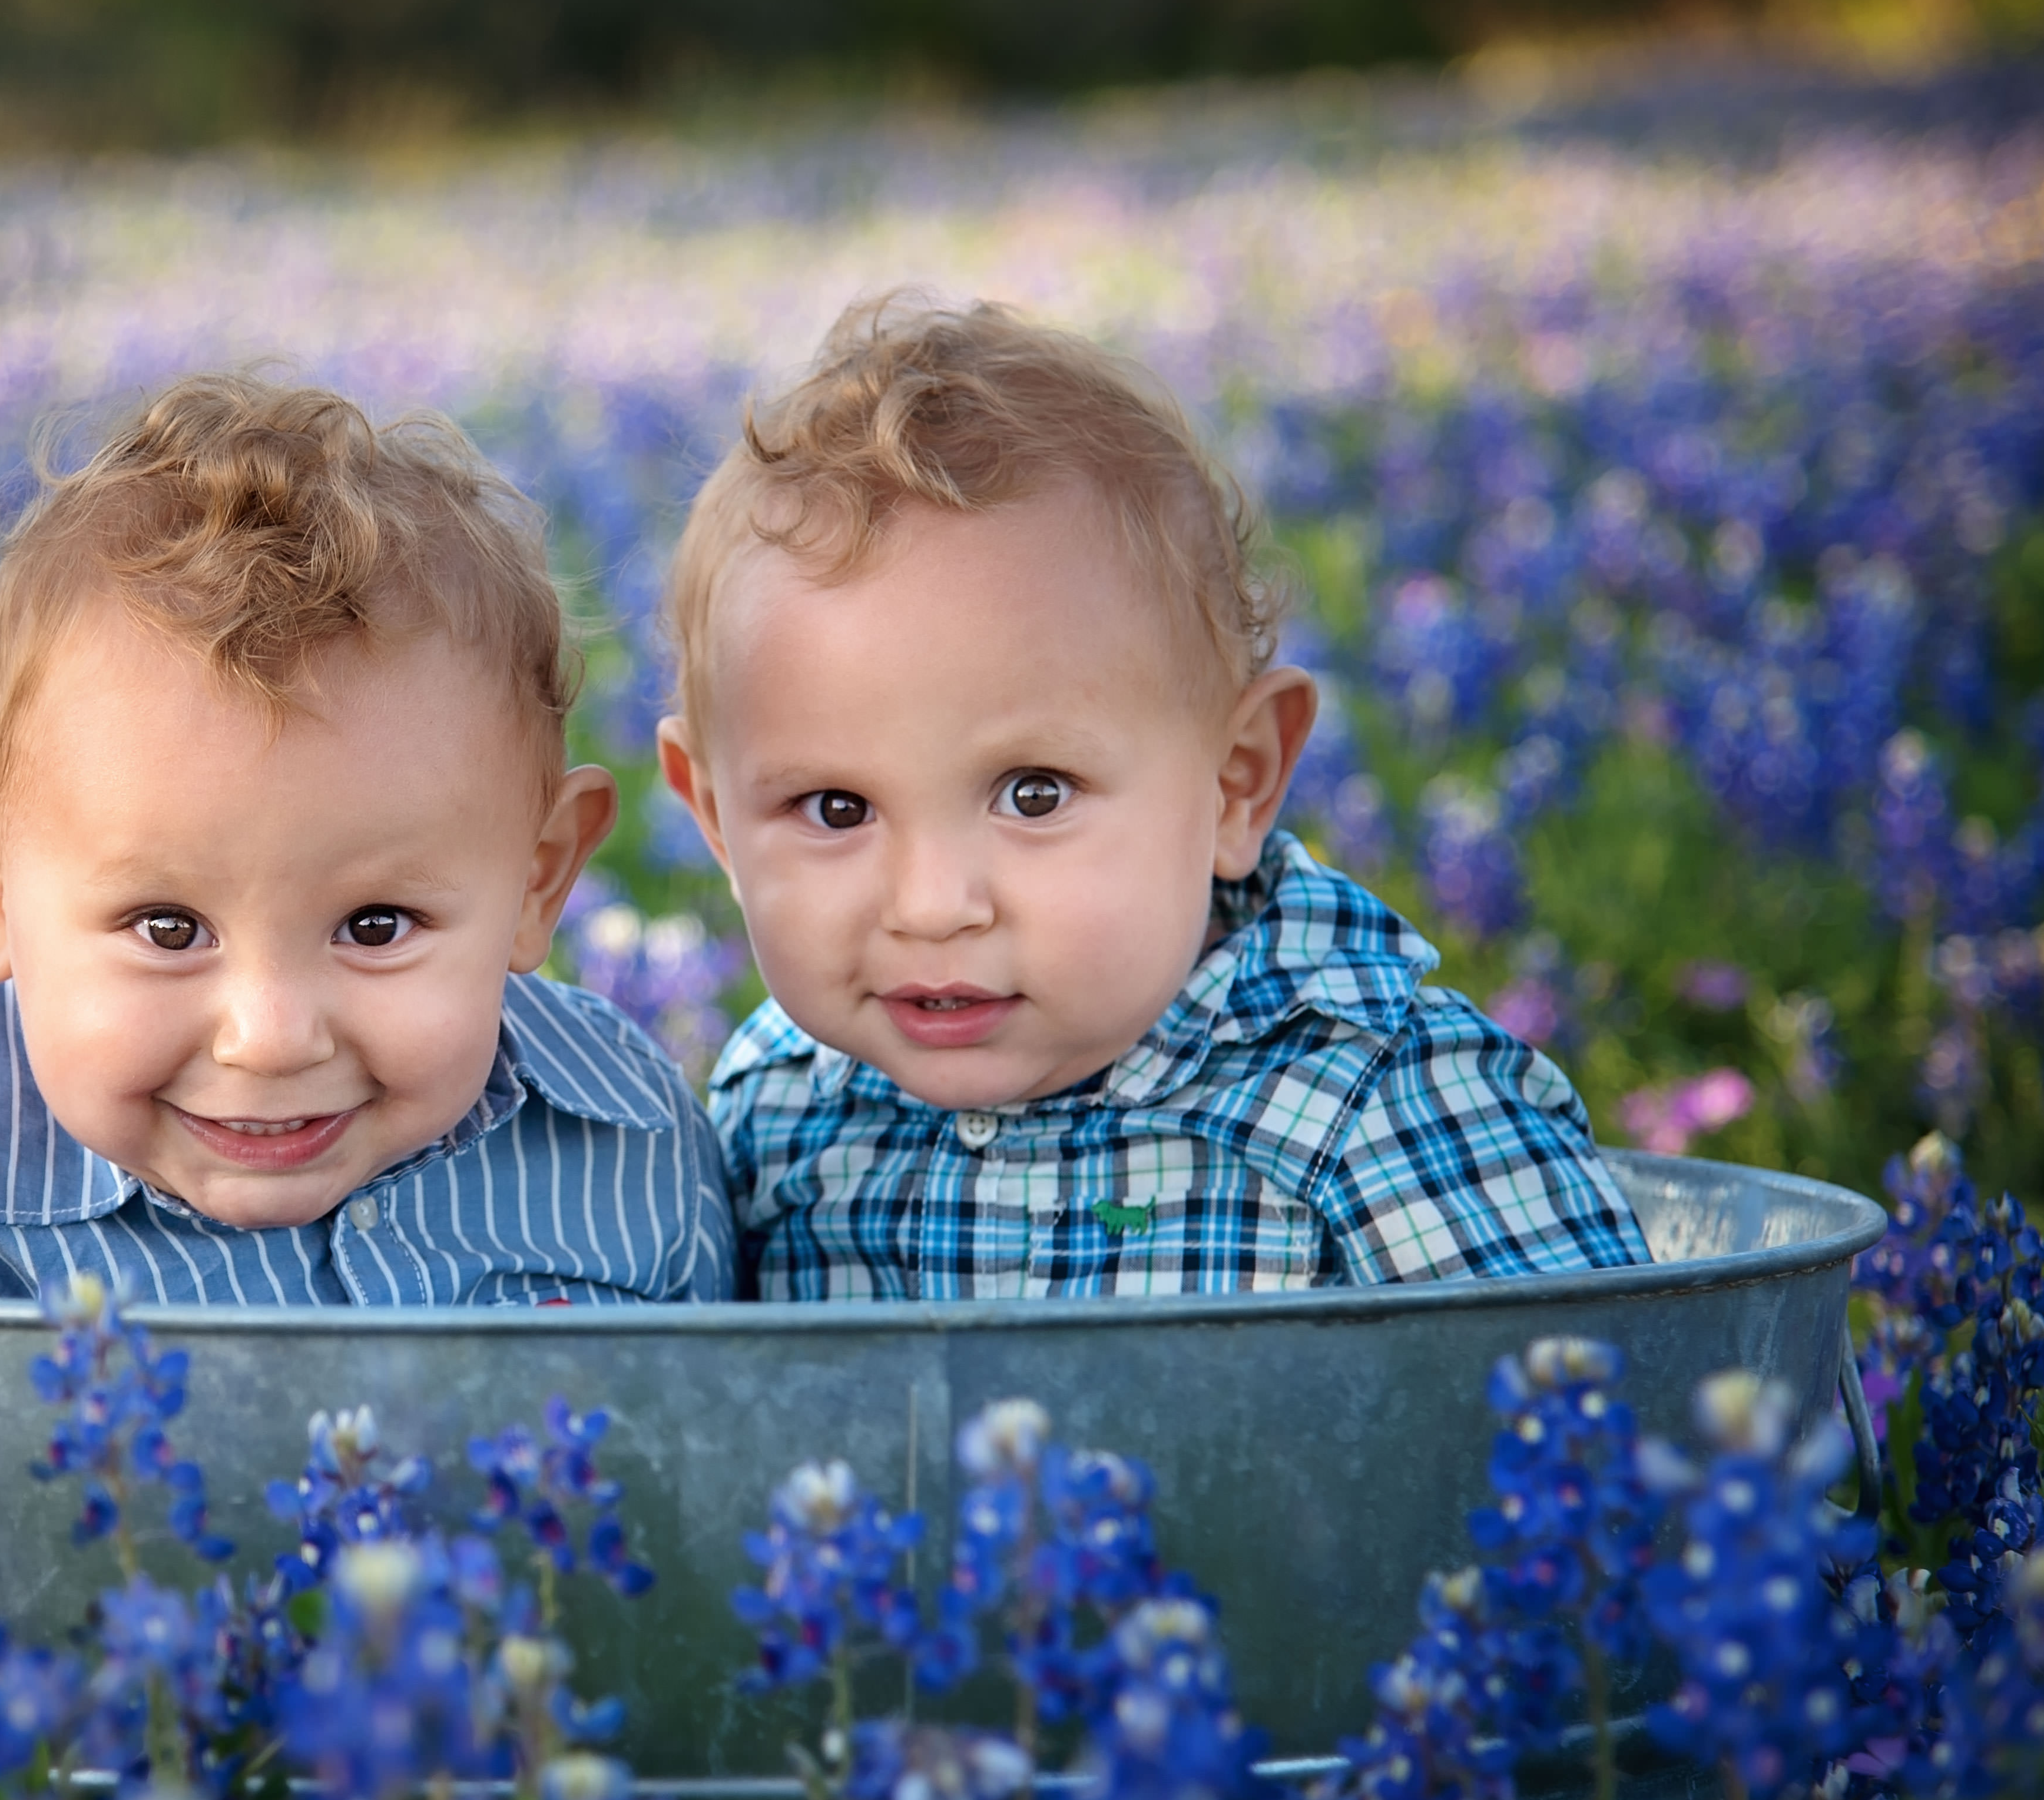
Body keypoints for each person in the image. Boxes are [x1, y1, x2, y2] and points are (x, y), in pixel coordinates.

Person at [654, 297, 1649, 1300]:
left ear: (1237, 782)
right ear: (714, 821)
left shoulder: (1382, 1112)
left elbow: (1594, 1413)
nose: (931, 905)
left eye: (1034, 794)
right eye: (835, 809)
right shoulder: (772, 1110)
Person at [0, 374, 734, 1305]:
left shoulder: (632, 1145)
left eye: (376, 925)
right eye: (167, 928)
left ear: (539, 881)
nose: (270, 1038)